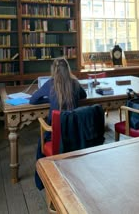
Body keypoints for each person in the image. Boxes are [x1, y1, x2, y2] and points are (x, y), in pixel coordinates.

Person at [30, 57, 87, 190]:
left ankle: (41, 182)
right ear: (68, 69)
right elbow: (83, 96)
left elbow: (32, 100)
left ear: (54, 70)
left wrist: (48, 99)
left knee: (40, 145)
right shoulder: (74, 83)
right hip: (74, 134)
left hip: (55, 135)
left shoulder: (50, 84)